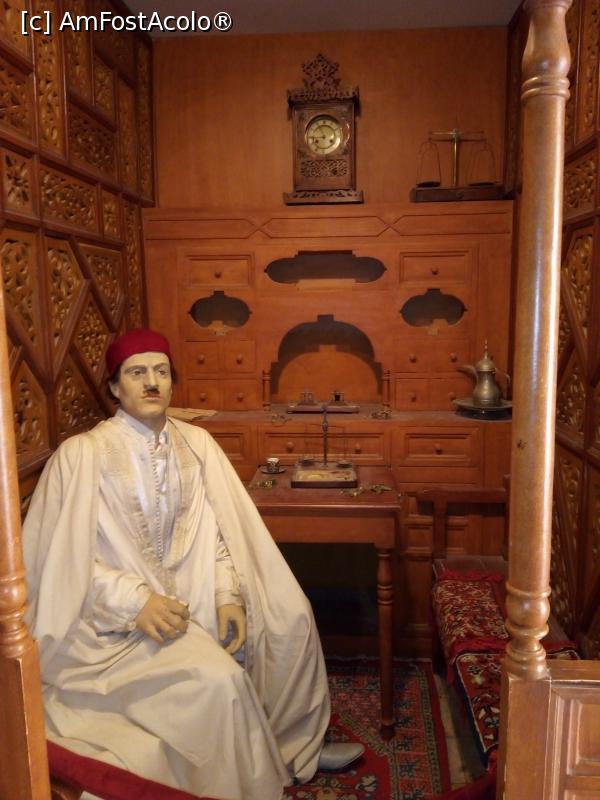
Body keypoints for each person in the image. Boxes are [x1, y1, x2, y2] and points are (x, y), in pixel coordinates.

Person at [23, 328, 364, 800]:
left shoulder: (196, 443)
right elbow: (62, 563)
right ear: (114, 387)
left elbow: (218, 530)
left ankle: (292, 745)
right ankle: (256, 776)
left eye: (161, 372)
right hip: (112, 622)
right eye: (136, 373)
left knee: (291, 616)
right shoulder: (82, 455)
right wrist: (136, 602)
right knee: (221, 679)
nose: (151, 383)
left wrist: (226, 595)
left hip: (197, 587)